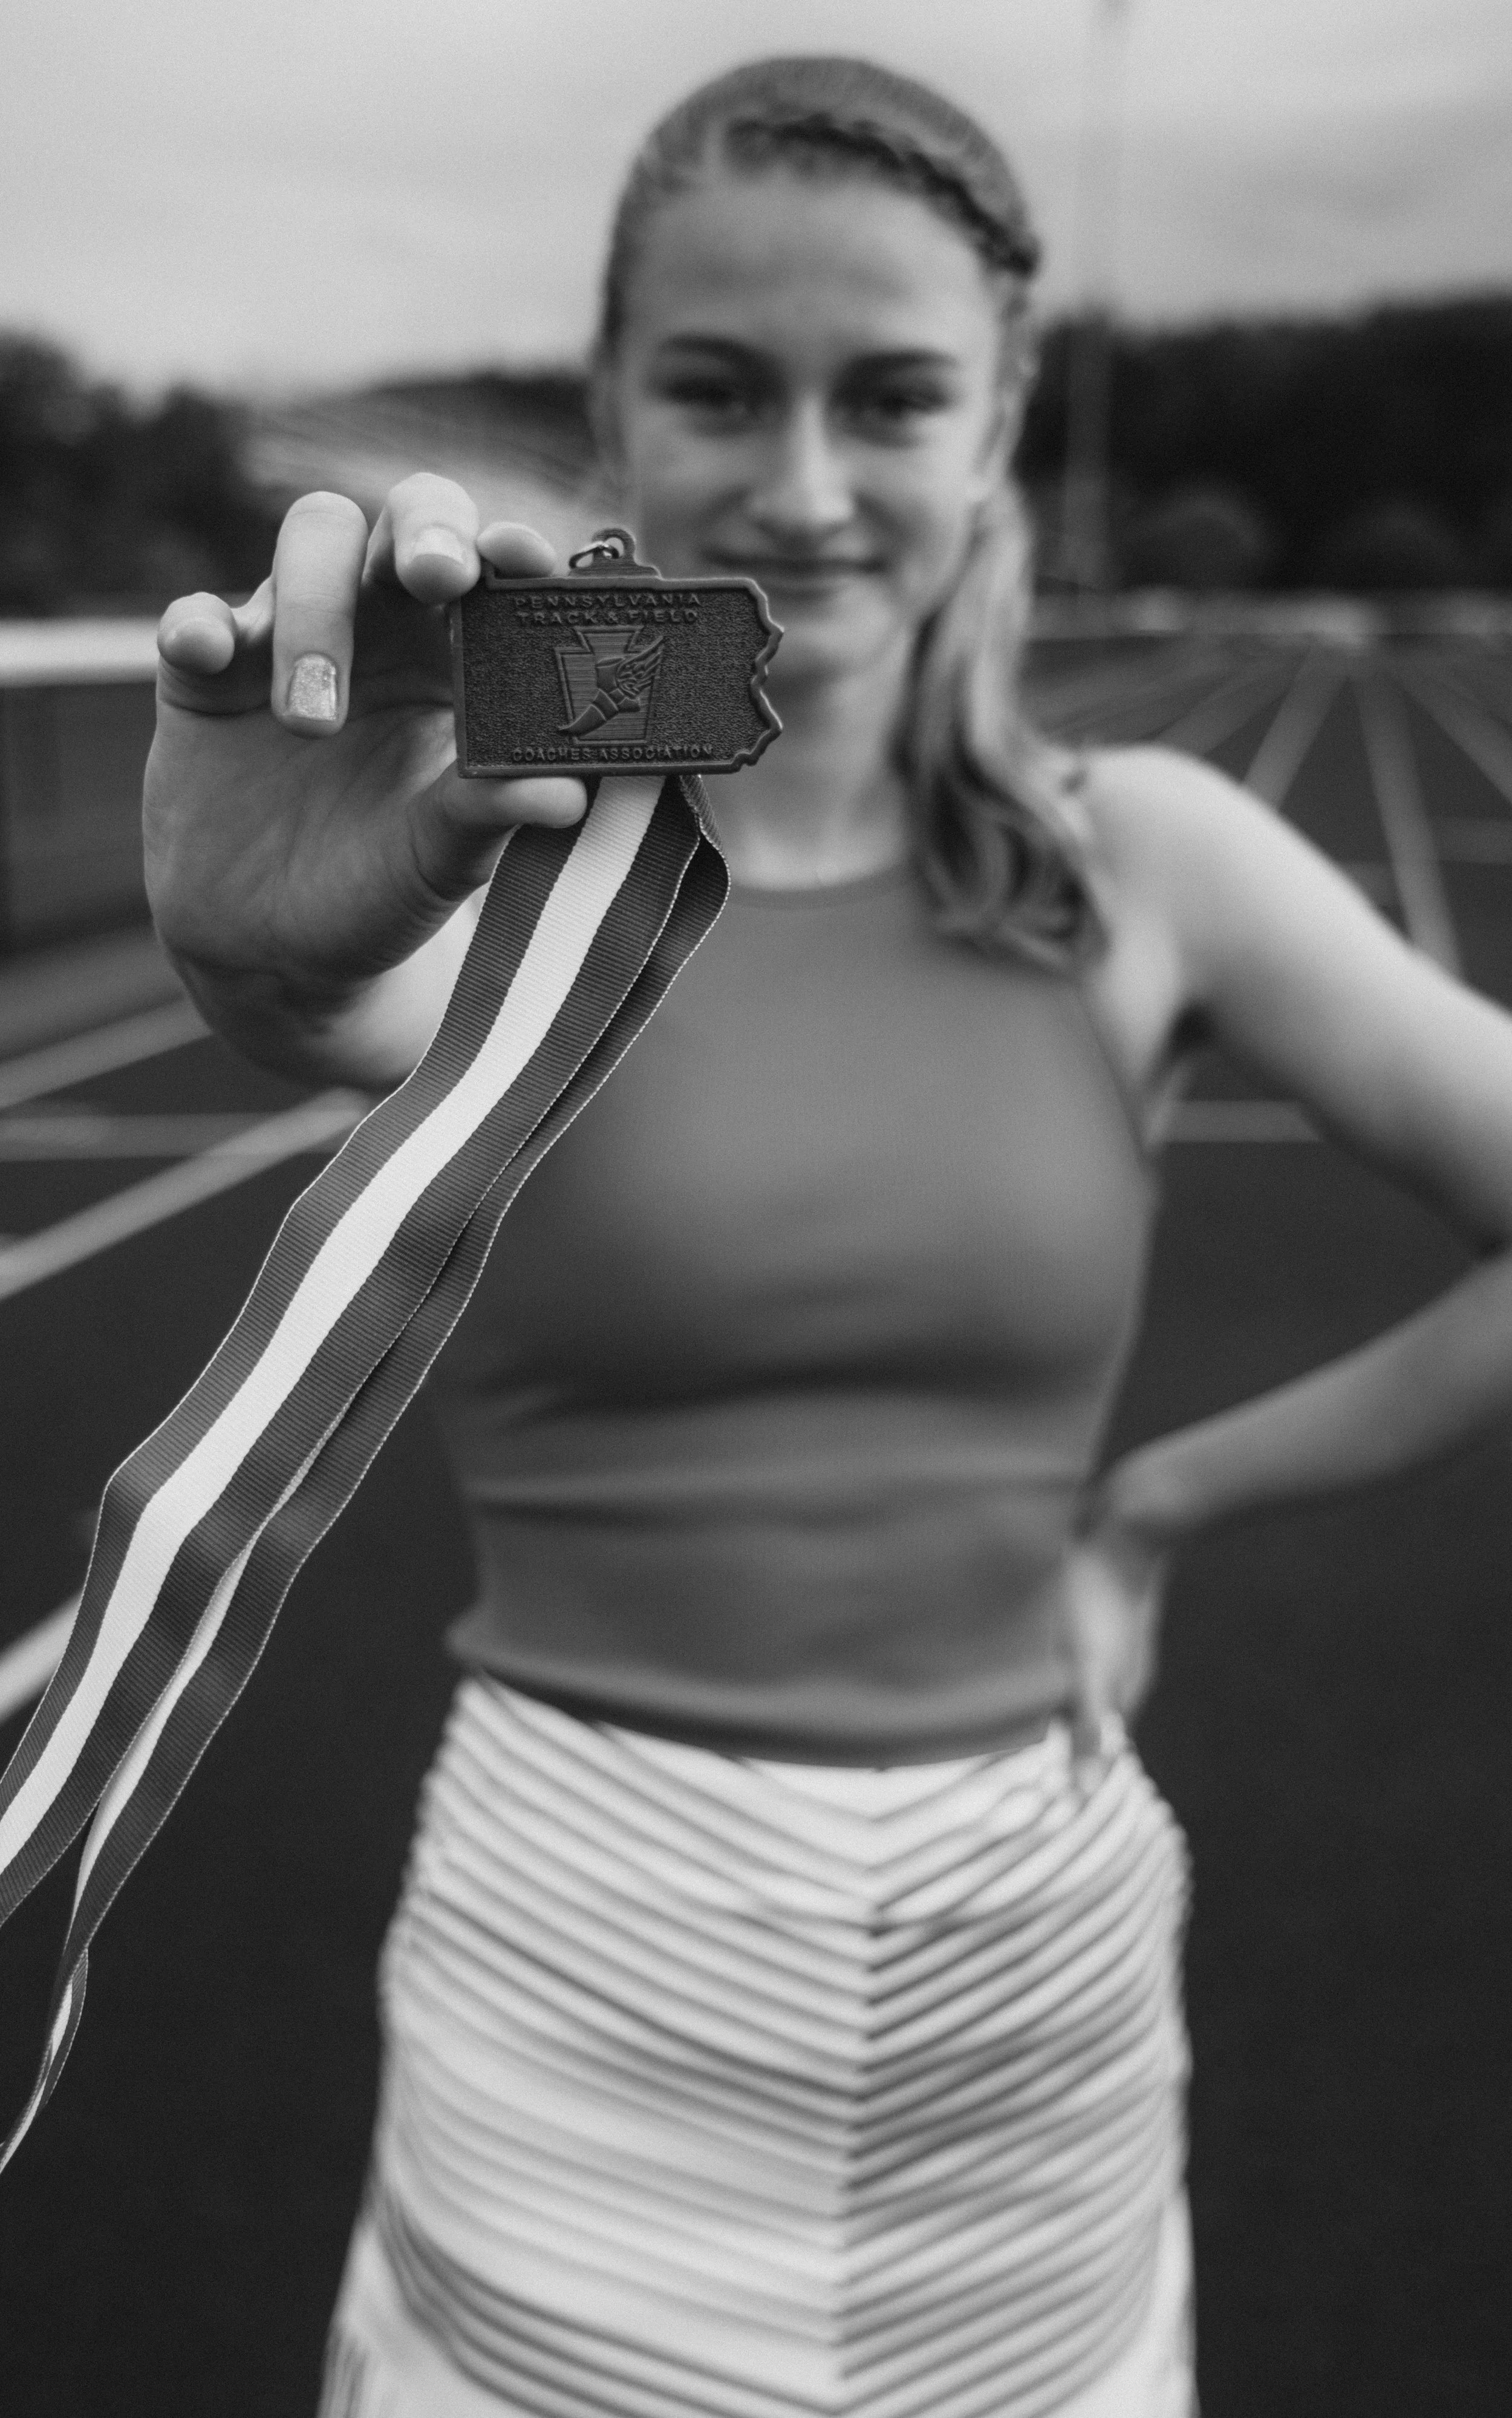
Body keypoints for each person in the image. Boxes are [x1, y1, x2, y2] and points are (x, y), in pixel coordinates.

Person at [144, 54, 1512, 2418]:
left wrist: (1165, 1506)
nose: (799, 485)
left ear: (995, 429)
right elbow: (315, 1002)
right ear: (610, 416)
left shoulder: (1147, 859)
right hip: (571, 1963)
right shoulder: (504, 874)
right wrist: (251, 950)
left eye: (890, 398)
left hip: (1024, 1987)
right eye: (715, 390)